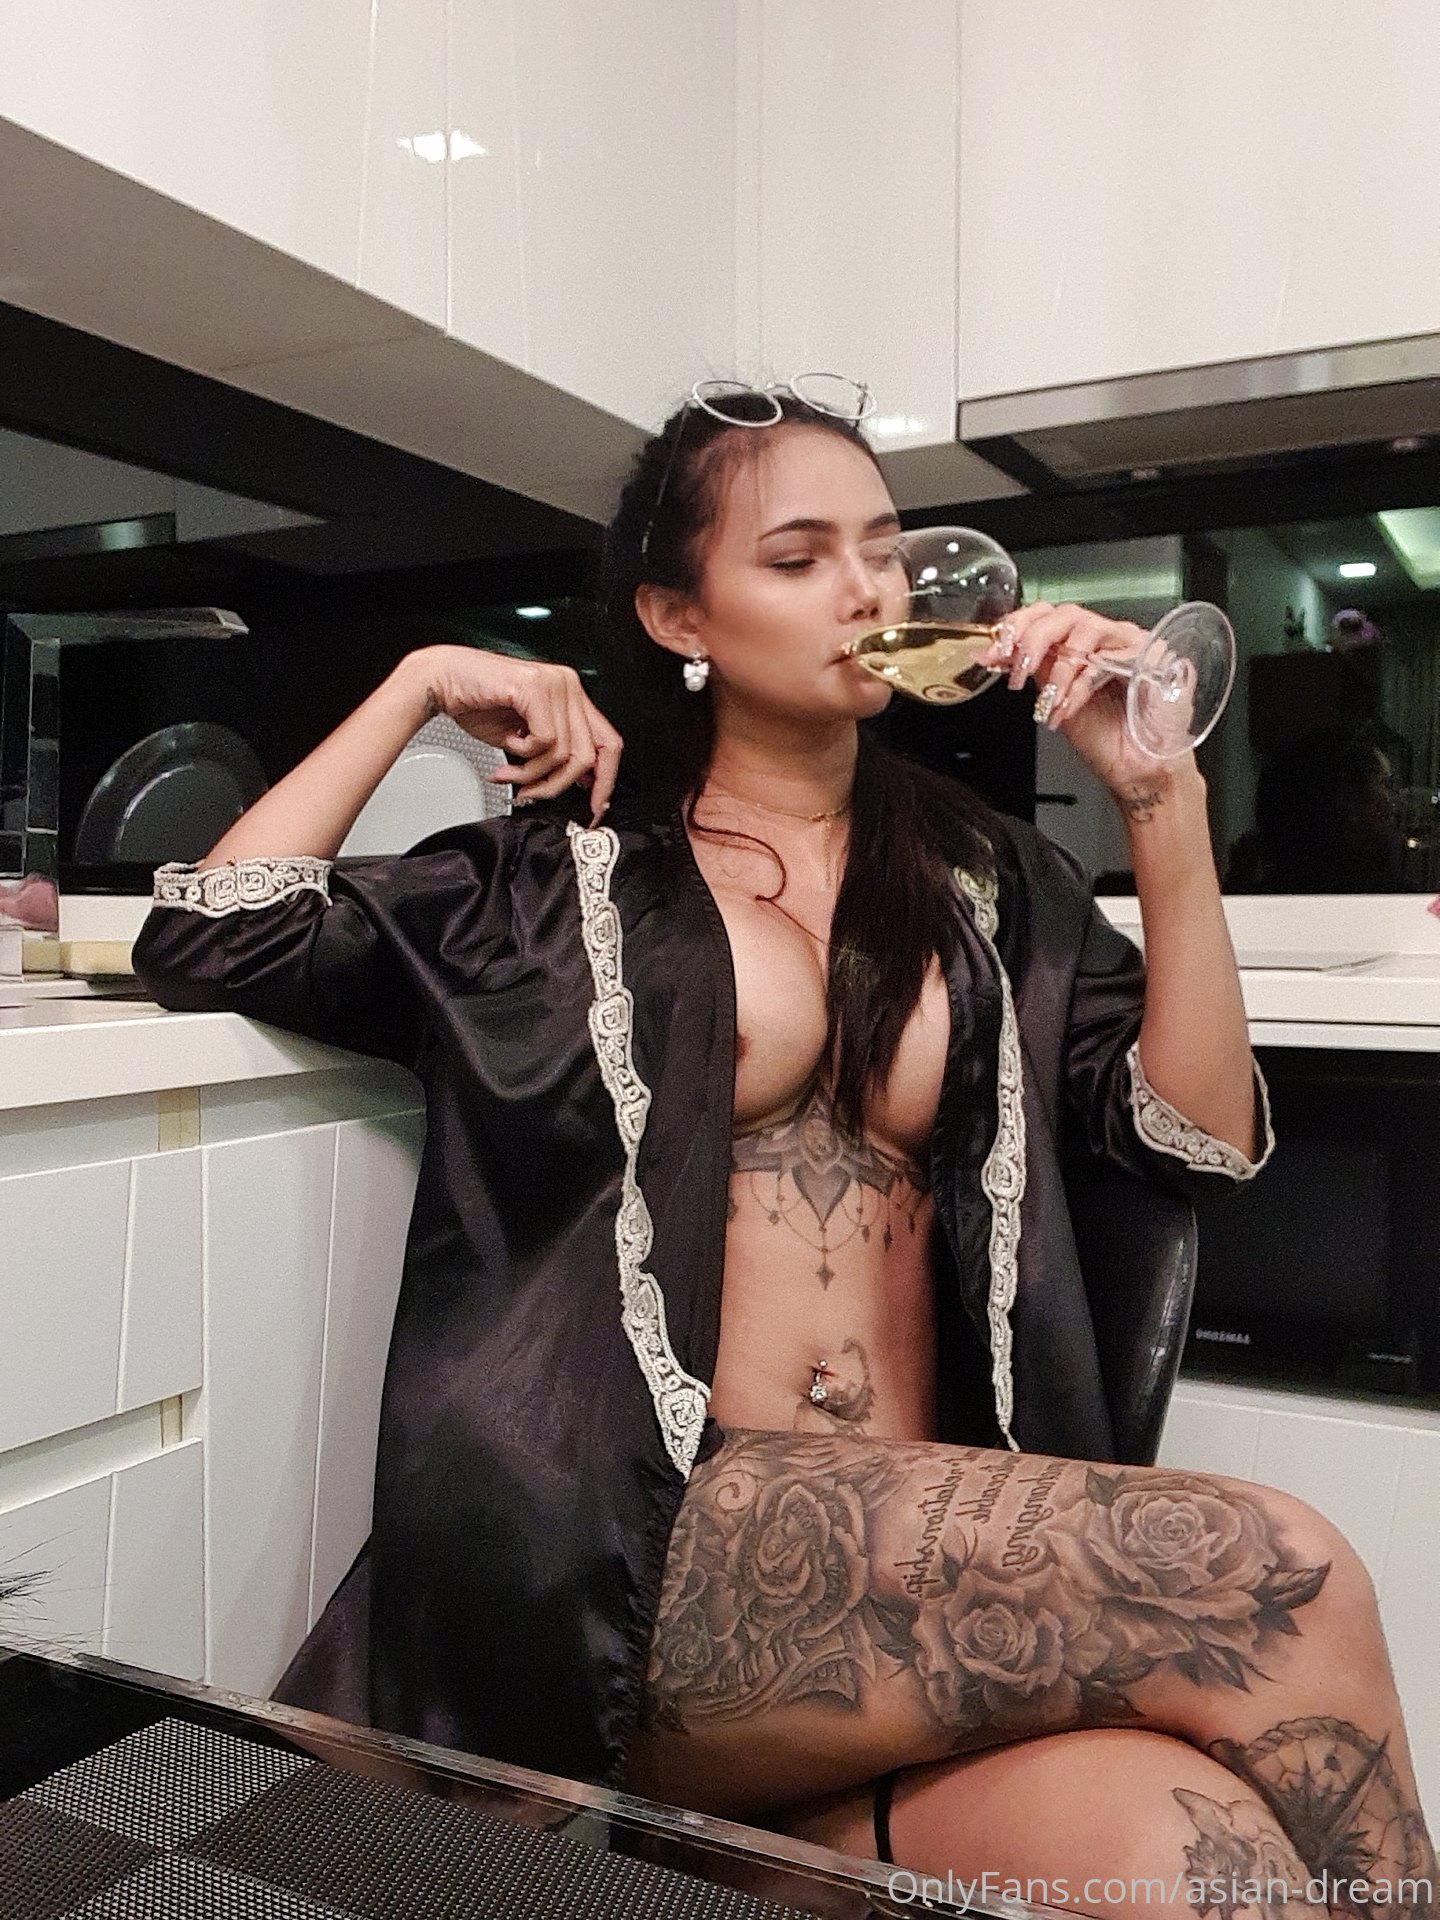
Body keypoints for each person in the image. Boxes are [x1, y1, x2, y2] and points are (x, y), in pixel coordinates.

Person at [133, 385, 1436, 1916]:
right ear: (678, 613)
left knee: (1210, 1862)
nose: (864, 589)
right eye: (800, 557)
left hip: (923, 1582)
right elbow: (215, 935)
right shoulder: (563, 879)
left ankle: (735, 1858)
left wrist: (1158, 790)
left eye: (883, 549)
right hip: (655, 1567)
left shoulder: (984, 882)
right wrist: (417, 683)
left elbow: (1199, 1139)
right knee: (1278, 1568)